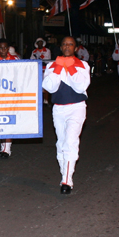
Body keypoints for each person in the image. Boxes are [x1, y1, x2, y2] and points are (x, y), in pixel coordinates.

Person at [42, 36, 91, 194]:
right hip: (58, 108)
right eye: (64, 44)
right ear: (61, 47)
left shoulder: (83, 65)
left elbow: (81, 86)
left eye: (70, 44)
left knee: (70, 141)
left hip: (76, 107)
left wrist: (70, 67)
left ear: (75, 48)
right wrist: (58, 67)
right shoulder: (51, 65)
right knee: (61, 143)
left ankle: (67, 180)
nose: (67, 47)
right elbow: (49, 86)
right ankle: (65, 173)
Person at [0, 39, 19, 158]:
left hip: (11, 95)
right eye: (0, 48)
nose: (3, 50)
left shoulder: (16, 60)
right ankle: (3, 146)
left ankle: (7, 149)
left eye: (5, 48)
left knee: (8, 120)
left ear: (8, 49)